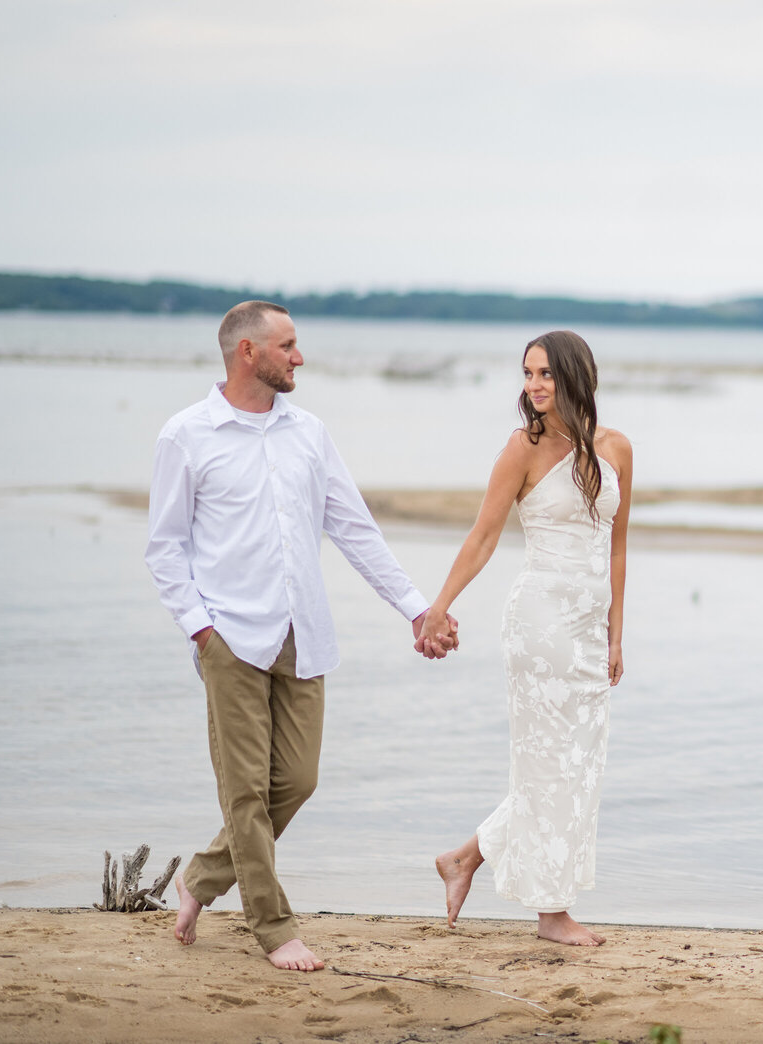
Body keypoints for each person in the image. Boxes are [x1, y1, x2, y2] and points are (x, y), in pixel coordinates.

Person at [145, 300, 457, 972]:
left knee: (299, 780)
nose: (300, 356)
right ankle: (273, 926)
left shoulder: (310, 433)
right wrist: (201, 630)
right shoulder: (186, 435)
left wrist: (415, 609)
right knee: (246, 791)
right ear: (247, 353)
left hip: (302, 632)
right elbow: (165, 548)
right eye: (287, 346)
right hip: (228, 636)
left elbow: (353, 528)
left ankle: (200, 877)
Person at [421, 330, 632, 947]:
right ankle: (550, 914)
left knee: (579, 766)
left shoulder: (616, 447)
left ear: (575, 376)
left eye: (545, 374)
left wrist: (616, 636)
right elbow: (484, 536)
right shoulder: (523, 449)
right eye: (528, 374)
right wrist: (440, 605)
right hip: (540, 625)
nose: (534, 386)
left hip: (591, 631)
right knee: (548, 764)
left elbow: (617, 548)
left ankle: (465, 859)